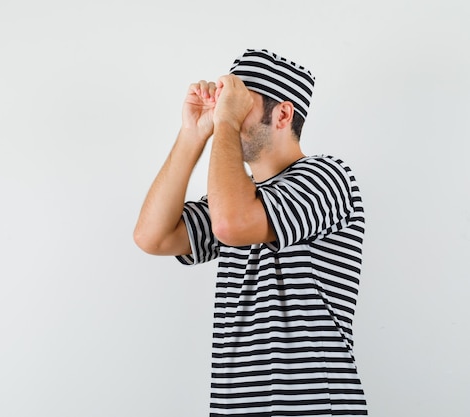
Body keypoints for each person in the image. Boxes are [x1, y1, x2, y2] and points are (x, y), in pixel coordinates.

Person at [133, 49, 368, 416]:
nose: (229, 111)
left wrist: (224, 123)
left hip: (313, 406)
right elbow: (154, 237)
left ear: (283, 114)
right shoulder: (236, 196)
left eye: (242, 102)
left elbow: (232, 224)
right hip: (237, 406)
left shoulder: (328, 178)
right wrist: (192, 134)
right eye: (228, 101)